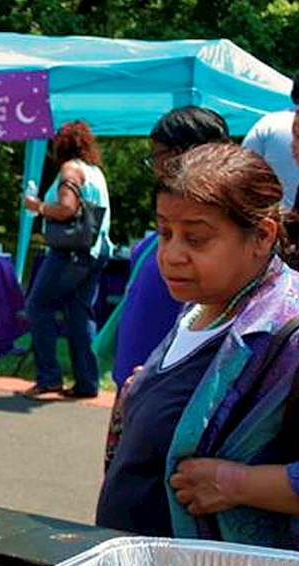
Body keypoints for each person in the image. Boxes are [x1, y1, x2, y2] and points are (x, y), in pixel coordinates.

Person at [97, 143, 299, 549]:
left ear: (262, 236)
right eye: (165, 232)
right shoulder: (202, 305)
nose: (172, 254)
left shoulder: (295, 336)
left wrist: (240, 484)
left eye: (196, 238)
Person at [113, 107, 232, 391]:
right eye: (166, 231)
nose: (154, 167)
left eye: (156, 156)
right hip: (138, 381)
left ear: (178, 155)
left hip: (170, 387)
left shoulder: (225, 223)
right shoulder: (173, 214)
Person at [21, 120, 112, 400]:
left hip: (69, 252)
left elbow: (66, 208)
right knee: (79, 314)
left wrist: (37, 207)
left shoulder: (70, 170)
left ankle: (49, 377)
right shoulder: (95, 172)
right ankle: (87, 382)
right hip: (96, 251)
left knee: (38, 306)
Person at [242, 65, 299, 209]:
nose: (293, 144)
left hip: (279, 220)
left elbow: (242, 173)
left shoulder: (269, 123)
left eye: (297, 137)